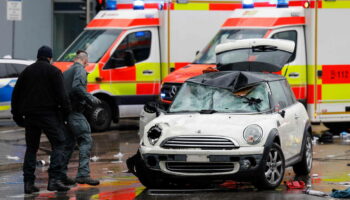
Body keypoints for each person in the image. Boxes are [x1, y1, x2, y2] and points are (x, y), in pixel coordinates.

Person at [11, 45, 71, 194]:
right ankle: (54, 180)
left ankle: (28, 183)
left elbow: (16, 96)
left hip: (30, 116)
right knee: (59, 143)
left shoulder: (27, 72)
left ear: (38, 56)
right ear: (50, 57)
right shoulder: (54, 72)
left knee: (31, 148)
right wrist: (66, 115)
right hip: (49, 114)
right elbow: (62, 96)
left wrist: (17, 117)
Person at [62, 50, 101, 186]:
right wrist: (90, 98)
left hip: (65, 114)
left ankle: (60, 175)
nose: (87, 64)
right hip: (75, 113)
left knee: (69, 144)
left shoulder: (66, 72)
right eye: (87, 61)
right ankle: (83, 175)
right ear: (84, 61)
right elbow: (77, 87)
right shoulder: (80, 70)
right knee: (86, 139)